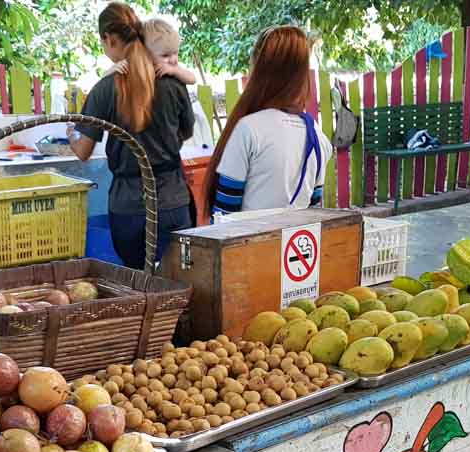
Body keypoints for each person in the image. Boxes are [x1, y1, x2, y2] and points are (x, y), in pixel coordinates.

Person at [70, 2, 195, 270]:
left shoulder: (105, 88)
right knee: (179, 278)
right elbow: (186, 132)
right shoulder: (173, 81)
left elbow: (82, 151)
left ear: (108, 38)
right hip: (174, 202)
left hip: (129, 209)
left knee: (139, 282)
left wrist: (70, 132)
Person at [205, 26, 333, 217]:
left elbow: (224, 214)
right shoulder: (319, 137)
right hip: (295, 244)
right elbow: (313, 206)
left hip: (248, 244)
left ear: (259, 70)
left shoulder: (248, 130)